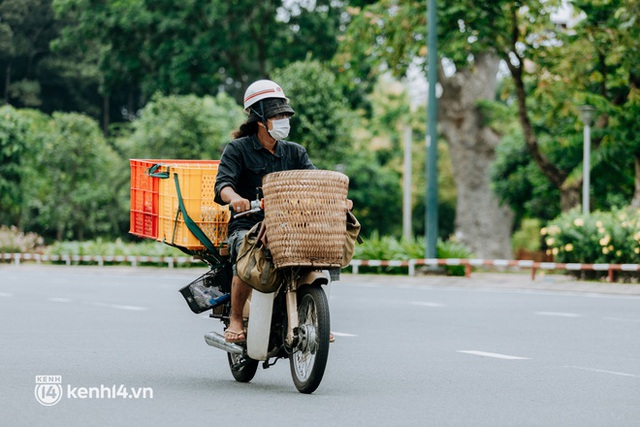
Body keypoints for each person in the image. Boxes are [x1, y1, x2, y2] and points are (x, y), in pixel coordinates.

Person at [214, 79, 316, 343]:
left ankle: (315, 316)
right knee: (249, 256)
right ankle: (236, 319)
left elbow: (316, 181)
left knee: (314, 254)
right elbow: (223, 185)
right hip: (248, 225)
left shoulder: (295, 152)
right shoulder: (238, 149)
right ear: (260, 119)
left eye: (285, 115)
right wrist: (236, 199)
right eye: (277, 115)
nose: (284, 120)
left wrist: (339, 199)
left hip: (287, 224)